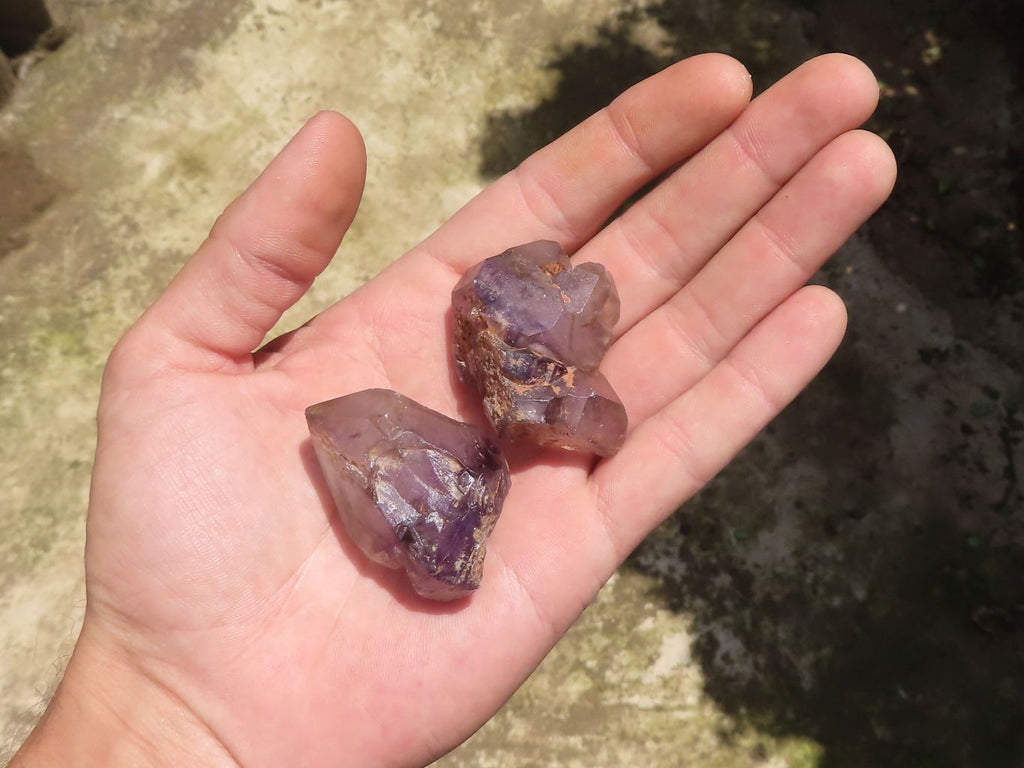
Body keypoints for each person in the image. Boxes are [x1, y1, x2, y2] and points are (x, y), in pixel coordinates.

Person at [10, 52, 895, 767]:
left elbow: (559, 376)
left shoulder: (512, 371)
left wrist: (155, 721)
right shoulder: (473, 402)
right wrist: (163, 711)